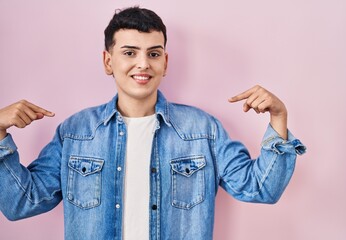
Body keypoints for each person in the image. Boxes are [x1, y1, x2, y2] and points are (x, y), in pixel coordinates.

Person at [0, 6, 306, 240]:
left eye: (153, 53)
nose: (143, 63)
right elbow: (21, 204)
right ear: (108, 61)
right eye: (129, 52)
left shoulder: (203, 130)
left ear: (165, 62)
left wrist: (278, 119)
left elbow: (259, 189)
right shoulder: (76, 132)